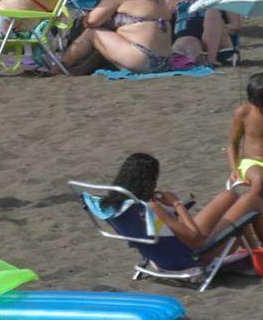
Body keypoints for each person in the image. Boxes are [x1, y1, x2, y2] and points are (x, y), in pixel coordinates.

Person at [102, 152, 263, 250]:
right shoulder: (152, 207)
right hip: (197, 256)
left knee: (229, 196)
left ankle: (255, 249)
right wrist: (177, 204)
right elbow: (196, 240)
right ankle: (257, 250)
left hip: (164, 252)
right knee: (251, 200)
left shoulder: (122, 205)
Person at [229, 73, 263, 197]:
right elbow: (233, 143)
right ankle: (254, 207)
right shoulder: (244, 112)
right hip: (252, 162)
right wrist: (234, 169)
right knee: (259, 179)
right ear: (254, 101)